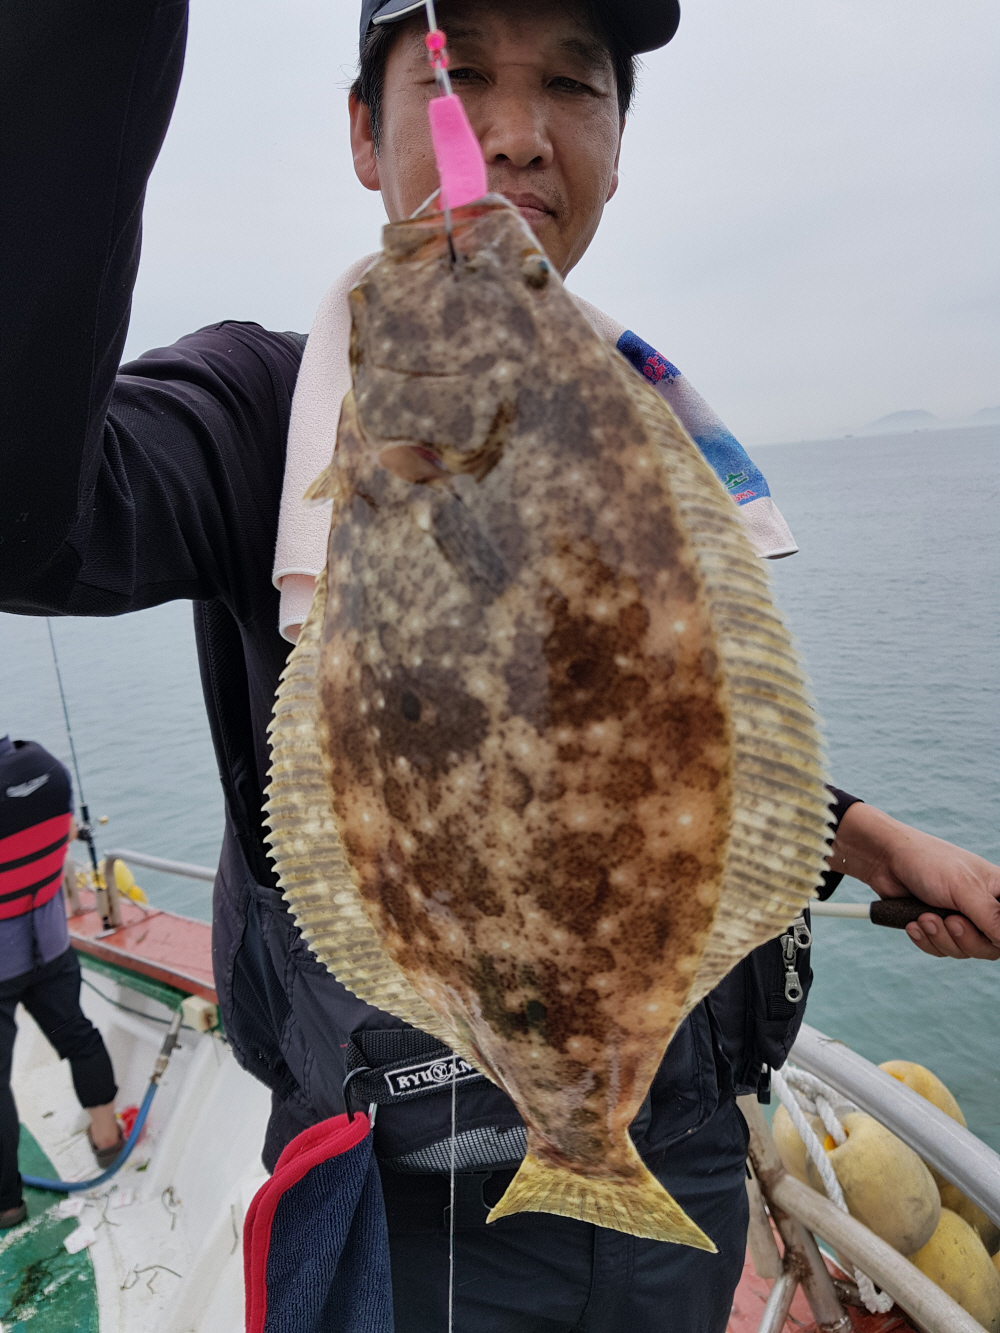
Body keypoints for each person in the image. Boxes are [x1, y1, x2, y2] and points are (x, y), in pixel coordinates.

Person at [1, 0, 997, 1323]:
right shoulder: (258, 417)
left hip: (678, 1151)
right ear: (365, 133)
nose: (518, 134)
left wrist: (862, 839)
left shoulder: (641, 437)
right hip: (402, 1207)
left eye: (573, 86)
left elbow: (632, 757)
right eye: (460, 75)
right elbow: (29, 522)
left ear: (619, 144)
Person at [0, 736, 121, 1229]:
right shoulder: (49, 770)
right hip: (50, 947)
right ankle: (107, 1140)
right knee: (77, 1036)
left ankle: (7, 1203)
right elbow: (67, 830)